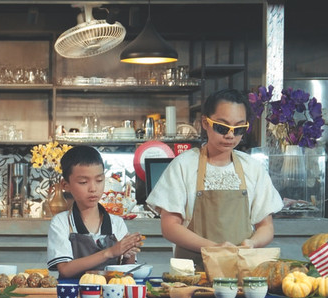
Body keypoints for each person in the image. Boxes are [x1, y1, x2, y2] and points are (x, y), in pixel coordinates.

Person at [146, 89, 283, 270]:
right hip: (194, 273)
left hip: (241, 271)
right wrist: (213, 248)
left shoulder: (253, 168)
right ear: (205, 122)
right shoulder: (184, 165)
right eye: (222, 127)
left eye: (239, 129)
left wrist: (252, 243)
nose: (230, 136)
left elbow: (266, 226)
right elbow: (170, 226)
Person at [47, 145, 143, 279]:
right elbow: (65, 270)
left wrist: (129, 251)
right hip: (74, 294)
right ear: (65, 185)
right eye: (83, 182)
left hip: (108, 294)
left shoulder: (116, 223)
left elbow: (125, 273)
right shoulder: (61, 222)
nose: (93, 188)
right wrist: (109, 252)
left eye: (99, 180)